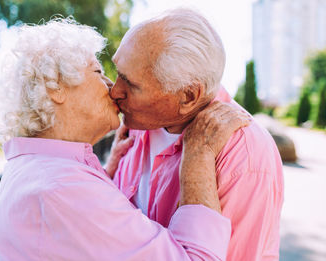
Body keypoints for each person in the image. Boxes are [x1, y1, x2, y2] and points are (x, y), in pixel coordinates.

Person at [0, 19, 250, 261]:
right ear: (56, 88)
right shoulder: (63, 189)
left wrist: (103, 176)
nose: (112, 88)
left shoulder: (42, 171)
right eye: (97, 72)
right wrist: (198, 153)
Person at [108, 8, 284, 261]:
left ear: (188, 96)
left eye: (131, 84)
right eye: (117, 73)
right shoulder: (138, 122)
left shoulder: (244, 157)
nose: (115, 91)